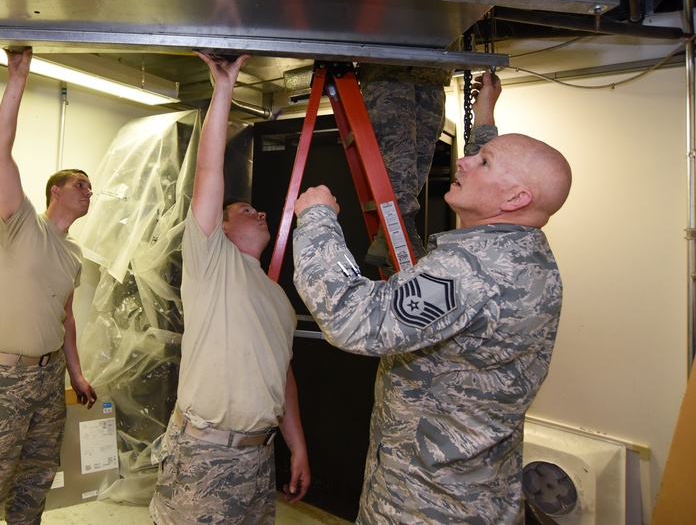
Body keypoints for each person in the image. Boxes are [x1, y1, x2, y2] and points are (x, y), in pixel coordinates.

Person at [291, 71, 572, 524]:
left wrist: (318, 218)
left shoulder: (473, 273)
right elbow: (507, 174)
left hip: (425, 506)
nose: (465, 161)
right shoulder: (522, 255)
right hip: (464, 493)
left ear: (517, 198)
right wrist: (484, 120)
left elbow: (351, 318)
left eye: (482, 161)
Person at [149, 52, 310, 524]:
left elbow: (283, 377)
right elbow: (208, 174)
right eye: (246, 211)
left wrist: (296, 446)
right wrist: (224, 88)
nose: (261, 214)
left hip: (258, 460)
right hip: (204, 457)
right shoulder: (210, 261)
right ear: (218, 227)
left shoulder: (277, 297)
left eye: (260, 211)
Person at [0, 47, 98, 525]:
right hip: (6, 379)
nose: (88, 192)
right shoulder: (22, 224)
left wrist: (75, 373)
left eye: (91, 188)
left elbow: (65, 317)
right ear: (55, 190)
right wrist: (17, 78)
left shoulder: (73, 254)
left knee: (35, 481)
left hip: (49, 379)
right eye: (79, 184)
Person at [357, 62, 452, 271]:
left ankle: (385, 240)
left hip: (434, 70)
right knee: (399, 150)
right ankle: (403, 228)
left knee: (420, 158)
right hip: (388, 65)